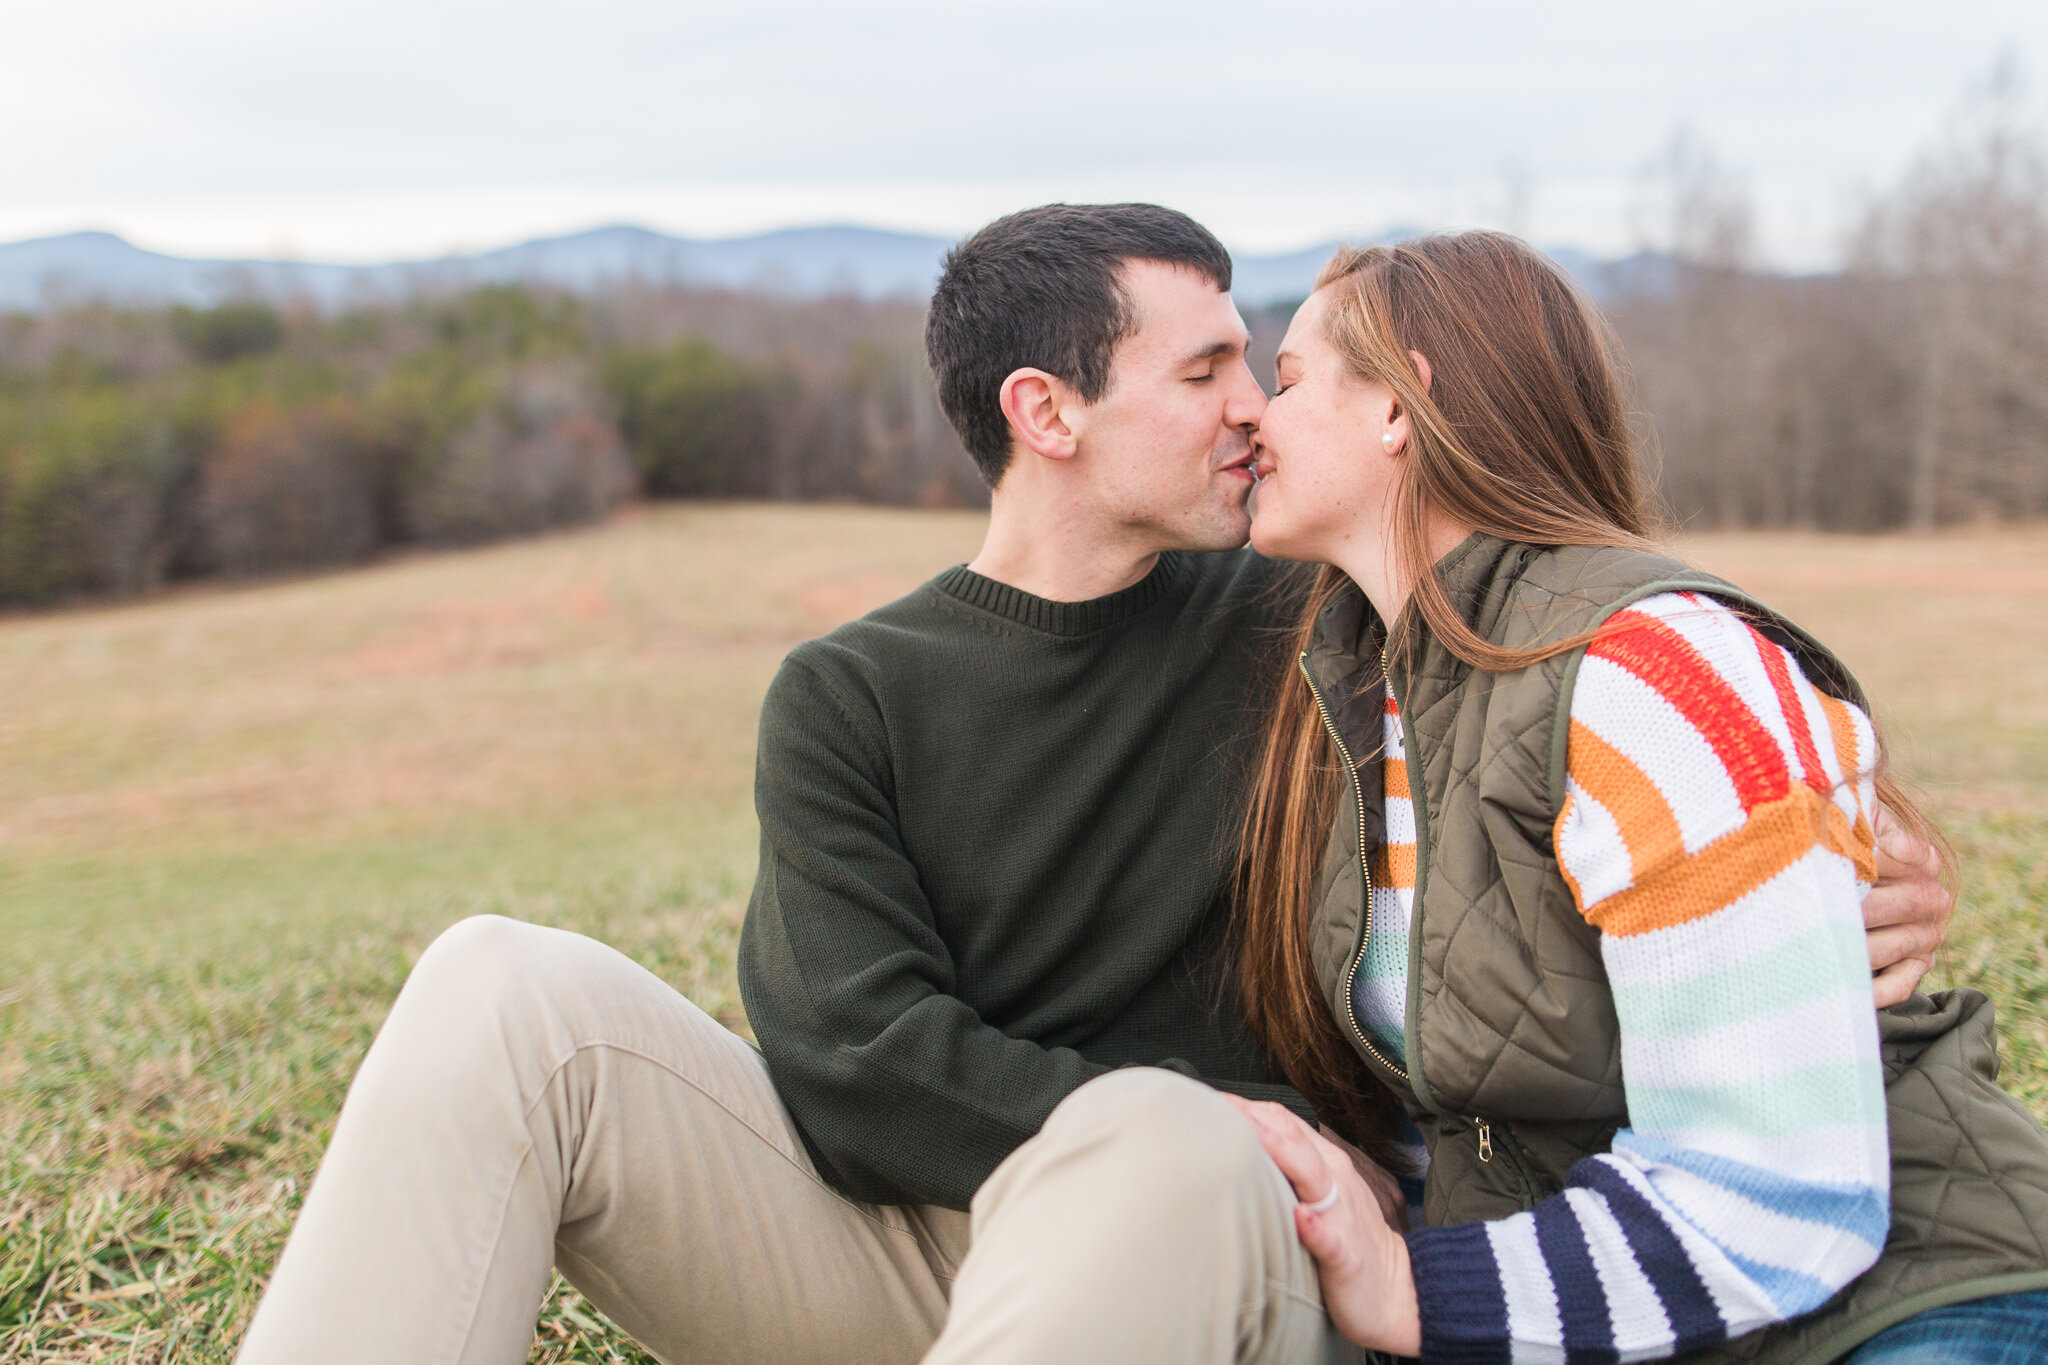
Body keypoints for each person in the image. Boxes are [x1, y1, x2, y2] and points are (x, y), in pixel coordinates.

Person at [234, 206, 1954, 1365]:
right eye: (1204, 372)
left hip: (1236, 1249)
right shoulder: (851, 696)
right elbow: (844, 1061)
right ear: (1045, 411)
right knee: (499, 988)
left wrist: (1847, 854)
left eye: (1261, 369)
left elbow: (1626, 663)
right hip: (921, 1261)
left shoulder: (1308, 619)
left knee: (1153, 1136)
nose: (1248, 414)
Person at [1218, 231, 2048, 1362]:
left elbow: (1779, 1190)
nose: (1253, 419)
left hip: (1899, 1301)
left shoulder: (1649, 672)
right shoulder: (1363, 690)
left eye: (1286, 379)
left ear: (1400, 406)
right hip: (1640, 1312)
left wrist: (1415, 1288)